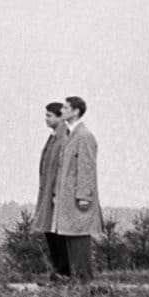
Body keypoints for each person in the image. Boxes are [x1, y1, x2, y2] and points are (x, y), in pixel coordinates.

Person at [52, 95, 101, 282]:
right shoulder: (70, 134)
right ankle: (76, 281)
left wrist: (84, 197)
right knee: (71, 238)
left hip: (78, 199)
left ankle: (84, 282)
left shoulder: (84, 135)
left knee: (79, 239)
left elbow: (87, 168)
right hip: (68, 197)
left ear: (75, 111)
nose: (62, 111)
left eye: (65, 108)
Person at [31, 100, 70, 279]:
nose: (46, 119)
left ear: (60, 117)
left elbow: (63, 168)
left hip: (55, 194)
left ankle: (63, 272)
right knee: (50, 232)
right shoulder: (54, 137)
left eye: (49, 115)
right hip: (48, 193)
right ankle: (58, 271)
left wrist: (57, 192)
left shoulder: (65, 138)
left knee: (58, 233)